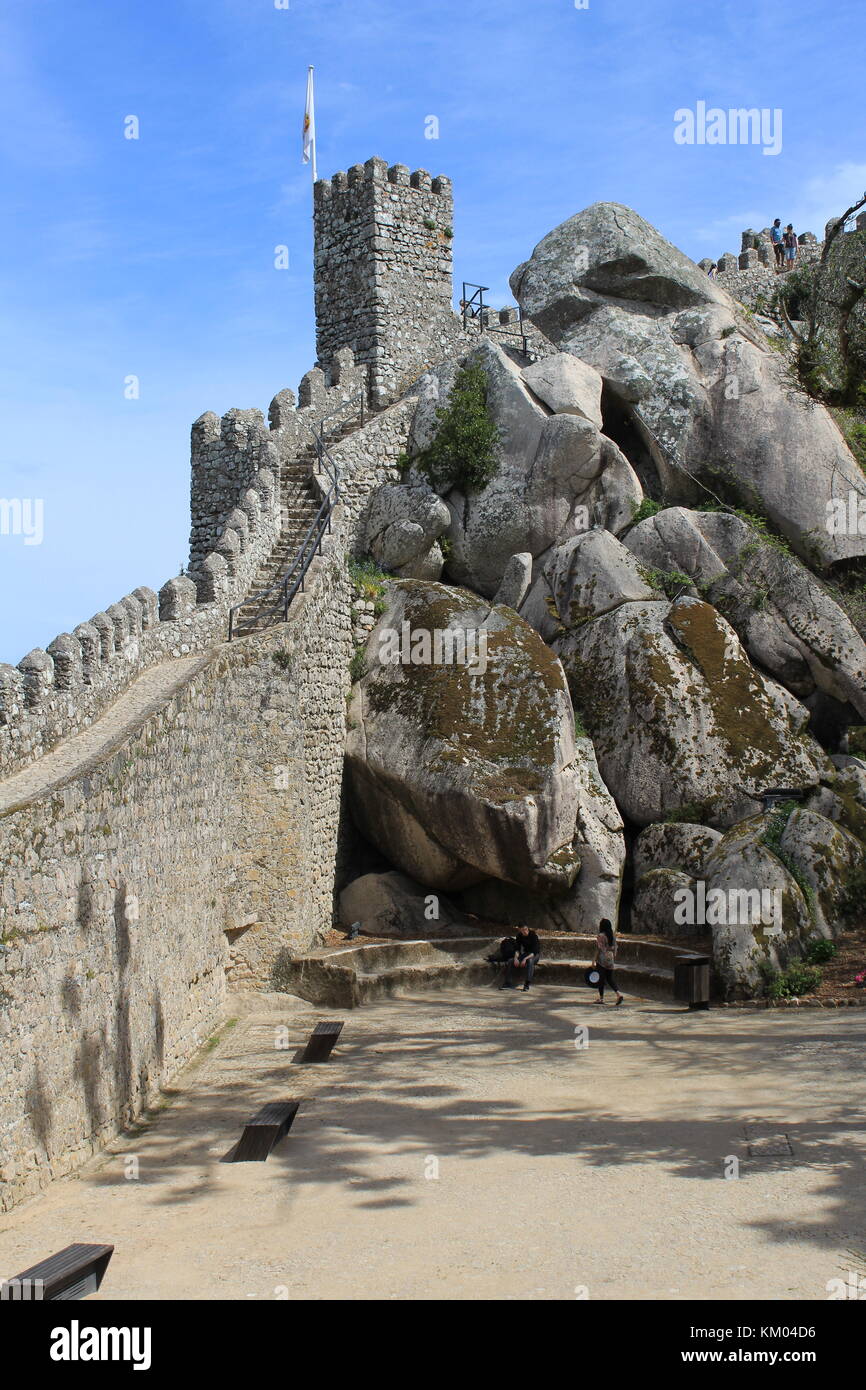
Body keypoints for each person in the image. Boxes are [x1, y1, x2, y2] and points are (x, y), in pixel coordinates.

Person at [501, 923, 541, 991]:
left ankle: (527, 984)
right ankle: (507, 983)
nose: (525, 931)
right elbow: (517, 949)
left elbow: (535, 952)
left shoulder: (533, 935)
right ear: (520, 930)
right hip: (526, 954)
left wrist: (525, 959)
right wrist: (516, 958)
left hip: (534, 955)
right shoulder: (519, 936)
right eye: (523, 930)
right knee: (511, 961)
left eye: (526, 929)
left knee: (530, 961)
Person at [594, 919, 623, 1007]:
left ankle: (601, 998)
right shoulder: (612, 935)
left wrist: (594, 960)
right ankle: (618, 994)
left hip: (602, 960)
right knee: (610, 978)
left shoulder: (600, 936)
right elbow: (615, 947)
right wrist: (613, 956)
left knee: (600, 979)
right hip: (610, 959)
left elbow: (599, 949)